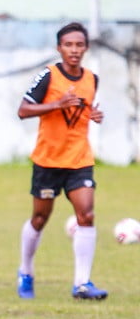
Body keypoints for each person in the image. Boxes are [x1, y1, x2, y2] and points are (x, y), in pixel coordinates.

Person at [15, 21, 107, 300]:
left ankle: (82, 283)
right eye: (68, 45)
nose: (74, 50)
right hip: (48, 160)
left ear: (86, 48)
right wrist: (56, 105)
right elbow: (22, 110)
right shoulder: (48, 76)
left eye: (79, 45)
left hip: (79, 159)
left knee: (86, 214)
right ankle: (26, 271)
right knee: (40, 218)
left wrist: (93, 115)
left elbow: (84, 108)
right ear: (59, 48)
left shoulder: (92, 79)